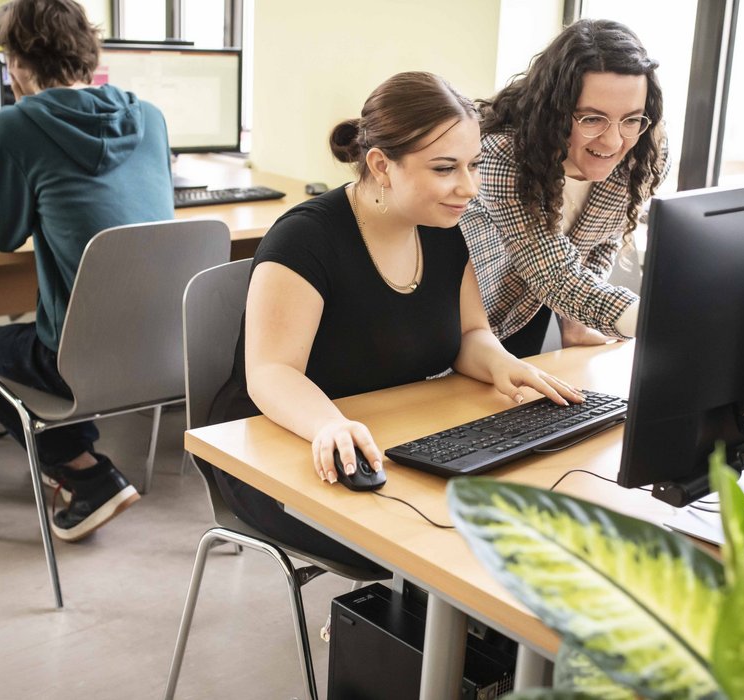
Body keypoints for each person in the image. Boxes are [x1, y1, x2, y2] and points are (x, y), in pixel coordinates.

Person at [209, 71, 584, 573]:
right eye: (446, 168)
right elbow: (271, 372)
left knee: (501, 528)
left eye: (473, 165)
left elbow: (469, 335)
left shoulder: (444, 228)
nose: (468, 187)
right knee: (438, 548)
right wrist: (328, 425)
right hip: (277, 445)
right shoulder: (304, 239)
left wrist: (503, 364)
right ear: (382, 165)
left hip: (379, 434)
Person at [0, 0, 174, 542]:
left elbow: (3, 236)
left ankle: (84, 472)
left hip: (78, 362)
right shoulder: (152, 116)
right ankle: (84, 456)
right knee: (58, 332)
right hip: (166, 354)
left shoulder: (15, 124)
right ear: (87, 51)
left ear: (18, 62)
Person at [458, 18, 668, 357]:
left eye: (631, 118)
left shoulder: (644, 151)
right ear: (554, 111)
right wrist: (660, 321)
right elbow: (551, 271)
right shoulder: (502, 156)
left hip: (538, 316)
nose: (614, 140)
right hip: (471, 331)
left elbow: (603, 237)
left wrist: (577, 321)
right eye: (592, 118)